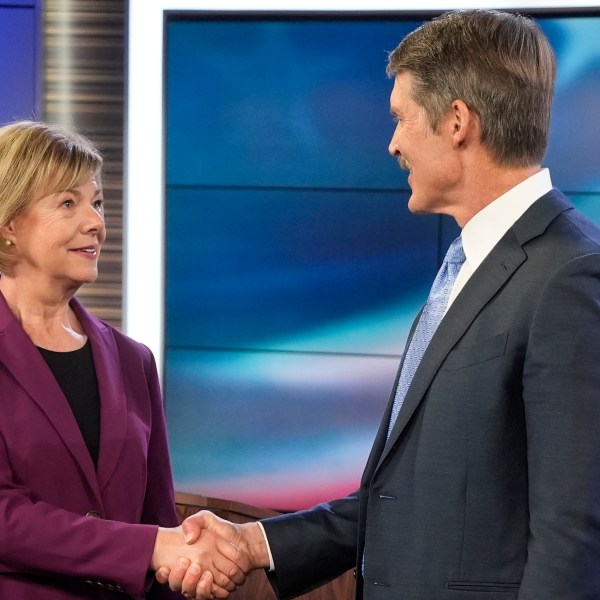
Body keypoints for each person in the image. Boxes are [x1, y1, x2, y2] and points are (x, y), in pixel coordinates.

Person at [163, 8, 600, 599]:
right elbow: (399, 497)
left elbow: (574, 533)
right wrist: (254, 544)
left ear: (456, 121)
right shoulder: (466, 269)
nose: (392, 143)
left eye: (400, 117)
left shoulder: (569, 276)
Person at [0, 121, 249, 599]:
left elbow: (156, 520)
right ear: (10, 225)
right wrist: (152, 548)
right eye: (68, 203)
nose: (95, 221)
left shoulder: (133, 362)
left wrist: (189, 568)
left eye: (96, 202)